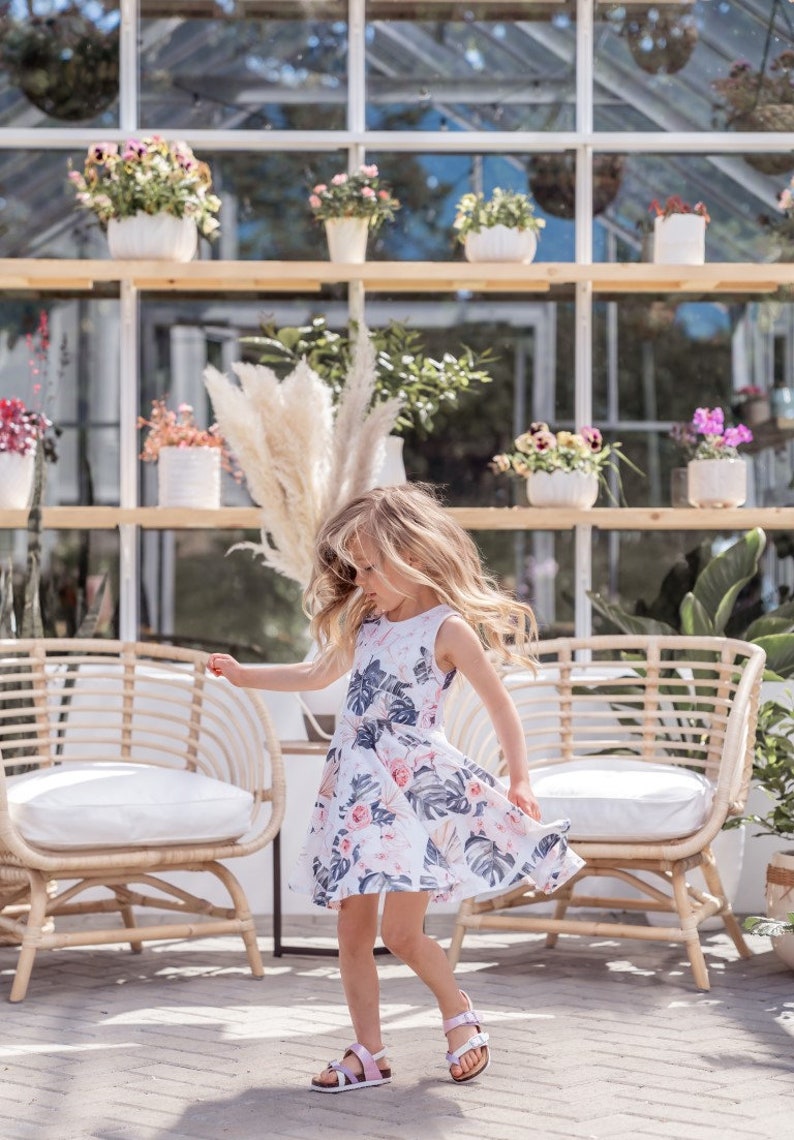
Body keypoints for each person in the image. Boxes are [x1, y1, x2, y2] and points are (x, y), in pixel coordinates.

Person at [208, 482, 584, 1093]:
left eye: (371, 566)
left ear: (413, 554)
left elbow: (501, 710)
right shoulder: (366, 620)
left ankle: (459, 1014)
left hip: (413, 795)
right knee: (351, 933)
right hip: (356, 797)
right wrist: (245, 674)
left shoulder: (449, 630)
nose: (361, 580)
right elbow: (315, 671)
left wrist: (520, 777)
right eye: (355, 569)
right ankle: (369, 1053)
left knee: (401, 933)